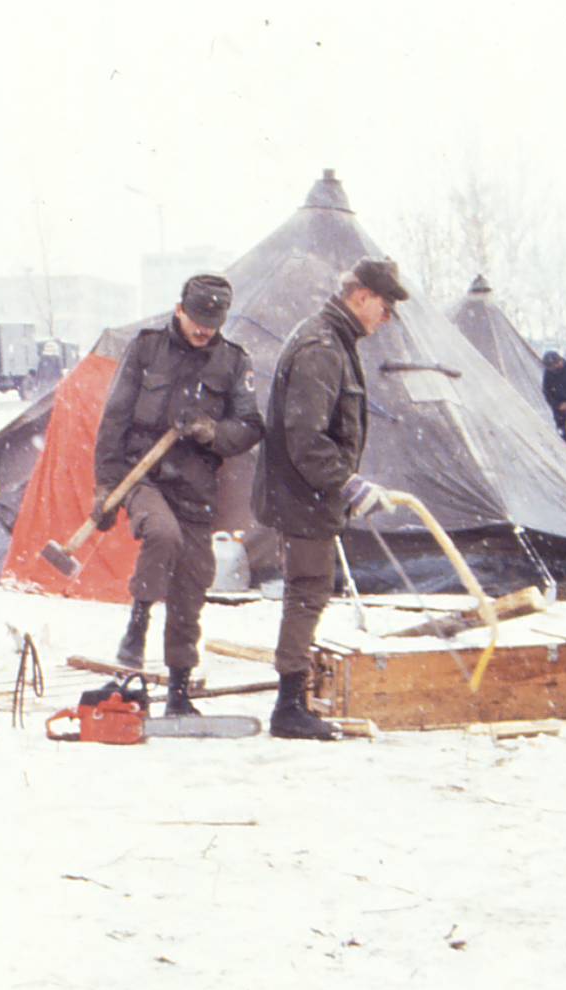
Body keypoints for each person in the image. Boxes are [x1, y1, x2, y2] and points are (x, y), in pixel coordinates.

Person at [91, 273, 264, 715]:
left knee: (193, 582)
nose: (203, 329)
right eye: (197, 319)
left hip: (195, 485)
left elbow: (249, 427)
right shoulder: (146, 350)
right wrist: (106, 486)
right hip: (142, 476)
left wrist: (212, 432)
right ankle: (138, 623)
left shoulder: (233, 362)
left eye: (213, 322)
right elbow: (114, 419)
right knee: (162, 534)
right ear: (179, 310)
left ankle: (179, 692)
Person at [252, 256, 408, 740]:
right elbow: (306, 438)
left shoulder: (334, 340)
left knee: (310, 591)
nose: (388, 319)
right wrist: (348, 483)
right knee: (307, 591)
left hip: (308, 493)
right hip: (302, 494)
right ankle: (288, 708)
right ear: (361, 296)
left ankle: (293, 699)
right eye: (385, 307)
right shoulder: (322, 346)